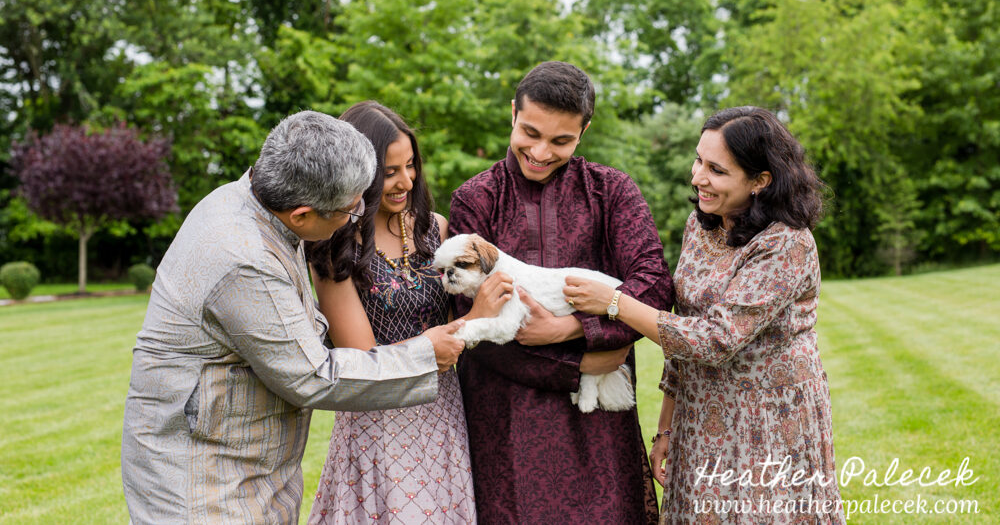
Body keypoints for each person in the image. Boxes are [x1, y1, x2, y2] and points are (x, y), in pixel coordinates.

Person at [121, 111, 466, 525]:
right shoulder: (243, 257)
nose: (360, 214)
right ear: (302, 215)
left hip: (247, 463)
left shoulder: (252, 200)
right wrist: (426, 355)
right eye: (350, 210)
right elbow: (313, 376)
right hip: (202, 478)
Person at [566, 106, 846, 524]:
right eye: (699, 160)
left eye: (716, 169)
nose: (698, 177)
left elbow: (715, 338)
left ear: (759, 181)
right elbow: (683, 332)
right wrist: (665, 429)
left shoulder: (787, 243)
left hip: (768, 423)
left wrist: (615, 302)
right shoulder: (703, 226)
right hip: (700, 418)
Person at [449, 61, 673, 524]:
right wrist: (578, 364)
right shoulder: (476, 199)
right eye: (530, 132)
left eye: (561, 140)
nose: (540, 151)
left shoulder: (611, 191)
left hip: (598, 421)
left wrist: (570, 329)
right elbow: (469, 320)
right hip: (505, 416)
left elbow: (653, 284)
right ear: (513, 113)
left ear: (584, 130)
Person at [305, 102, 508, 523]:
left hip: (442, 411)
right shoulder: (334, 244)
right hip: (378, 419)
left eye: (410, 166)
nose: (404, 181)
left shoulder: (435, 229)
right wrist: (474, 320)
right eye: (389, 171)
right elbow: (363, 356)